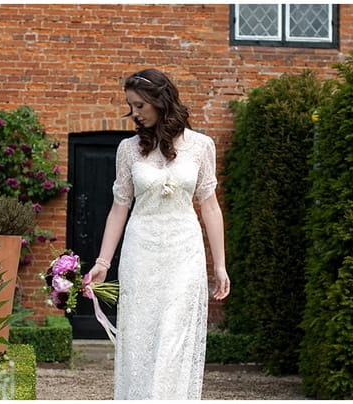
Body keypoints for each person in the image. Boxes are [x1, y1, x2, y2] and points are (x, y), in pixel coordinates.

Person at [87, 68, 230, 400]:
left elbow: (210, 206)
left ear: (160, 100)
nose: (134, 113)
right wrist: (103, 262)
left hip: (184, 253)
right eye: (131, 106)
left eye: (139, 105)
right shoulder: (128, 149)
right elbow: (119, 206)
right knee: (140, 336)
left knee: (174, 336)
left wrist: (219, 265)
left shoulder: (201, 146)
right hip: (141, 252)